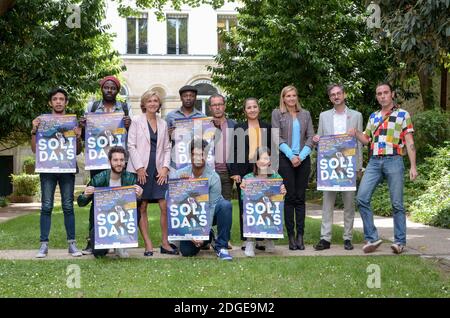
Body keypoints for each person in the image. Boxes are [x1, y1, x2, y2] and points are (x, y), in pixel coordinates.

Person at [349, 82, 417, 254]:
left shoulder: (403, 114)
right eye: (379, 93)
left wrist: (413, 166)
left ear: (392, 94)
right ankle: (372, 238)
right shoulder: (373, 117)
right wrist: (356, 133)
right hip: (374, 162)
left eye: (386, 92)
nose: (383, 96)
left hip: (394, 160)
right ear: (377, 96)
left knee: (397, 204)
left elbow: (409, 142)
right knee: (362, 198)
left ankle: (399, 242)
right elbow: (366, 139)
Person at [80, 75, 133, 255]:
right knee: (96, 199)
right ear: (101, 89)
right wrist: (84, 127)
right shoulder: (92, 107)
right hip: (97, 160)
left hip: (117, 160)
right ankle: (93, 238)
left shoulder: (124, 107)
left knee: (120, 198)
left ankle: (119, 235)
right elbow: (85, 136)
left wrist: (128, 124)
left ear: (117, 91)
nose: (109, 90)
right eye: (106, 87)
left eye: (113, 88)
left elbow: (130, 134)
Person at [31, 87, 83, 258]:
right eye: (55, 99)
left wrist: (77, 136)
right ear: (50, 102)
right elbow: (34, 149)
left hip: (67, 169)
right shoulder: (42, 121)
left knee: (68, 206)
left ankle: (72, 245)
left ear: (66, 102)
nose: (59, 101)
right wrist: (33, 131)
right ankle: (43, 245)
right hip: (48, 169)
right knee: (46, 206)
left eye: (62, 99)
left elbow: (76, 151)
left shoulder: (71, 122)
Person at [312, 84, 363, 251]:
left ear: (344, 94)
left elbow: (360, 144)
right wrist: (317, 139)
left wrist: (359, 166)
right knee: (327, 204)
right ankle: (325, 238)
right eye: (332, 94)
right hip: (330, 166)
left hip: (348, 165)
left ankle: (347, 238)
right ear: (330, 98)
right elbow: (320, 142)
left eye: (338, 93)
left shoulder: (356, 115)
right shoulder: (324, 116)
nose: (336, 96)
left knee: (349, 204)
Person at [127, 90, 176, 256]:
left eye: (156, 101)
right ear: (144, 103)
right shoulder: (136, 121)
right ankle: (148, 244)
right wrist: (139, 167)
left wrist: (165, 168)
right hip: (141, 168)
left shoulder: (163, 123)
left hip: (159, 169)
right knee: (143, 206)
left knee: (165, 204)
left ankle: (165, 242)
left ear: (159, 104)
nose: (153, 103)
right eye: (150, 101)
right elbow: (131, 145)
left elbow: (167, 148)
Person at [77, 146, 143, 258]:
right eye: (115, 160)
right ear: (109, 161)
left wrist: (139, 196)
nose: (119, 163)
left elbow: (135, 205)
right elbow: (81, 203)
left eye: (122, 160)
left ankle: (121, 245)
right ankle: (105, 242)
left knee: (137, 212)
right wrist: (85, 194)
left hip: (121, 218)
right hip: (102, 222)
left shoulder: (131, 178)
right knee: (99, 254)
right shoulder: (98, 179)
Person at [173, 139, 233, 261]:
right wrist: (180, 184)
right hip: (190, 218)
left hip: (211, 213)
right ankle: (209, 237)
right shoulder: (180, 174)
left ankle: (221, 246)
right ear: (190, 156)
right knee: (187, 252)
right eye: (195, 154)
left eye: (202, 154)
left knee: (225, 205)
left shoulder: (214, 177)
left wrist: (201, 233)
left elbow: (211, 207)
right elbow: (170, 201)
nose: (198, 158)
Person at [271, 85, 315, 250]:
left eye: (294, 95)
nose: (291, 98)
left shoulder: (305, 114)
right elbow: (277, 137)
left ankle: (300, 236)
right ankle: (290, 236)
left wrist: (301, 156)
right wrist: (291, 156)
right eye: (288, 96)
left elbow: (311, 136)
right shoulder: (277, 114)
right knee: (289, 198)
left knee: (300, 198)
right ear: (283, 98)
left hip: (303, 159)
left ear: (297, 97)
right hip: (285, 159)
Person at [230, 98, 271, 250]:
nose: (252, 109)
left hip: (263, 169)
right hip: (244, 170)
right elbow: (233, 150)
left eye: (255, 107)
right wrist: (234, 172)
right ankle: (247, 238)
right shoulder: (239, 128)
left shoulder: (267, 127)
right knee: (245, 205)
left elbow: (272, 150)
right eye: (249, 107)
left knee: (263, 203)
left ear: (258, 109)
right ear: (245, 111)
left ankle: (261, 238)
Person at [240, 147, 286, 257]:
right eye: (260, 158)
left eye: (266, 158)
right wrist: (244, 190)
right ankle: (250, 241)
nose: (263, 161)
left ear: (270, 161)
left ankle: (269, 238)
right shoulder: (248, 177)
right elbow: (244, 199)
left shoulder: (276, 177)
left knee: (272, 210)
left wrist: (283, 192)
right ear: (256, 161)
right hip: (255, 207)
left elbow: (279, 199)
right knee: (247, 211)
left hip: (269, 207)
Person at [208, 93, 236, 201]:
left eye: (220, 104)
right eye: (214, 105)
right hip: (209, 172)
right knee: (209, 207)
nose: (217, 107)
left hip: (226, 173)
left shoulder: (233, 124)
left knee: (225, 206)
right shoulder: (204, 125)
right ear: (210, 108)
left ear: (224, 106)